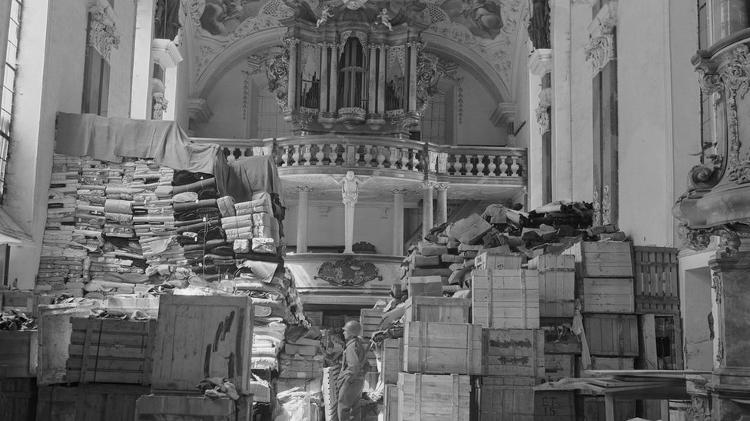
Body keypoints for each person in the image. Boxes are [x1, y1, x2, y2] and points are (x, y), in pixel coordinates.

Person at [337, 320, 368, 421]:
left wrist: (348, 380)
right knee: (355, 409)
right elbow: (367, 365)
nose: (343, 332)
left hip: (351, 382)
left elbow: (353, 367)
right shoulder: (359, 344)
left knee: (343, 407)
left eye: (345, 331)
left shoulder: (351, 346)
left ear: (350, 333)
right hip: (359, 381)